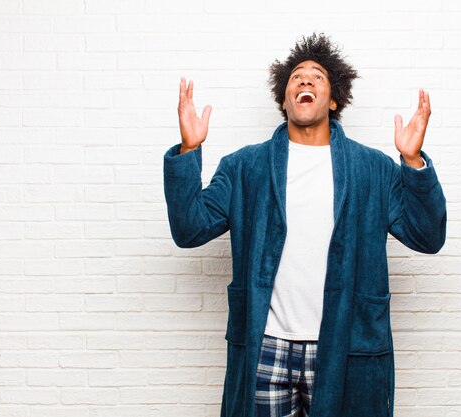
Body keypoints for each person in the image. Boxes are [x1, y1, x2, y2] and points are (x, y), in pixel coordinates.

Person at [164, 33, 446, 417]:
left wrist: (412, 162)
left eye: (317, 77)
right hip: (267, 344)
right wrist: (188, 150)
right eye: (296, 77)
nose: (306, 81)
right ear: (284, 100)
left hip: (345, 345)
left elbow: (427, 236)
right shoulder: (245, 167)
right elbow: (189, 229)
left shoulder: (372, 169)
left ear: (332, 100)